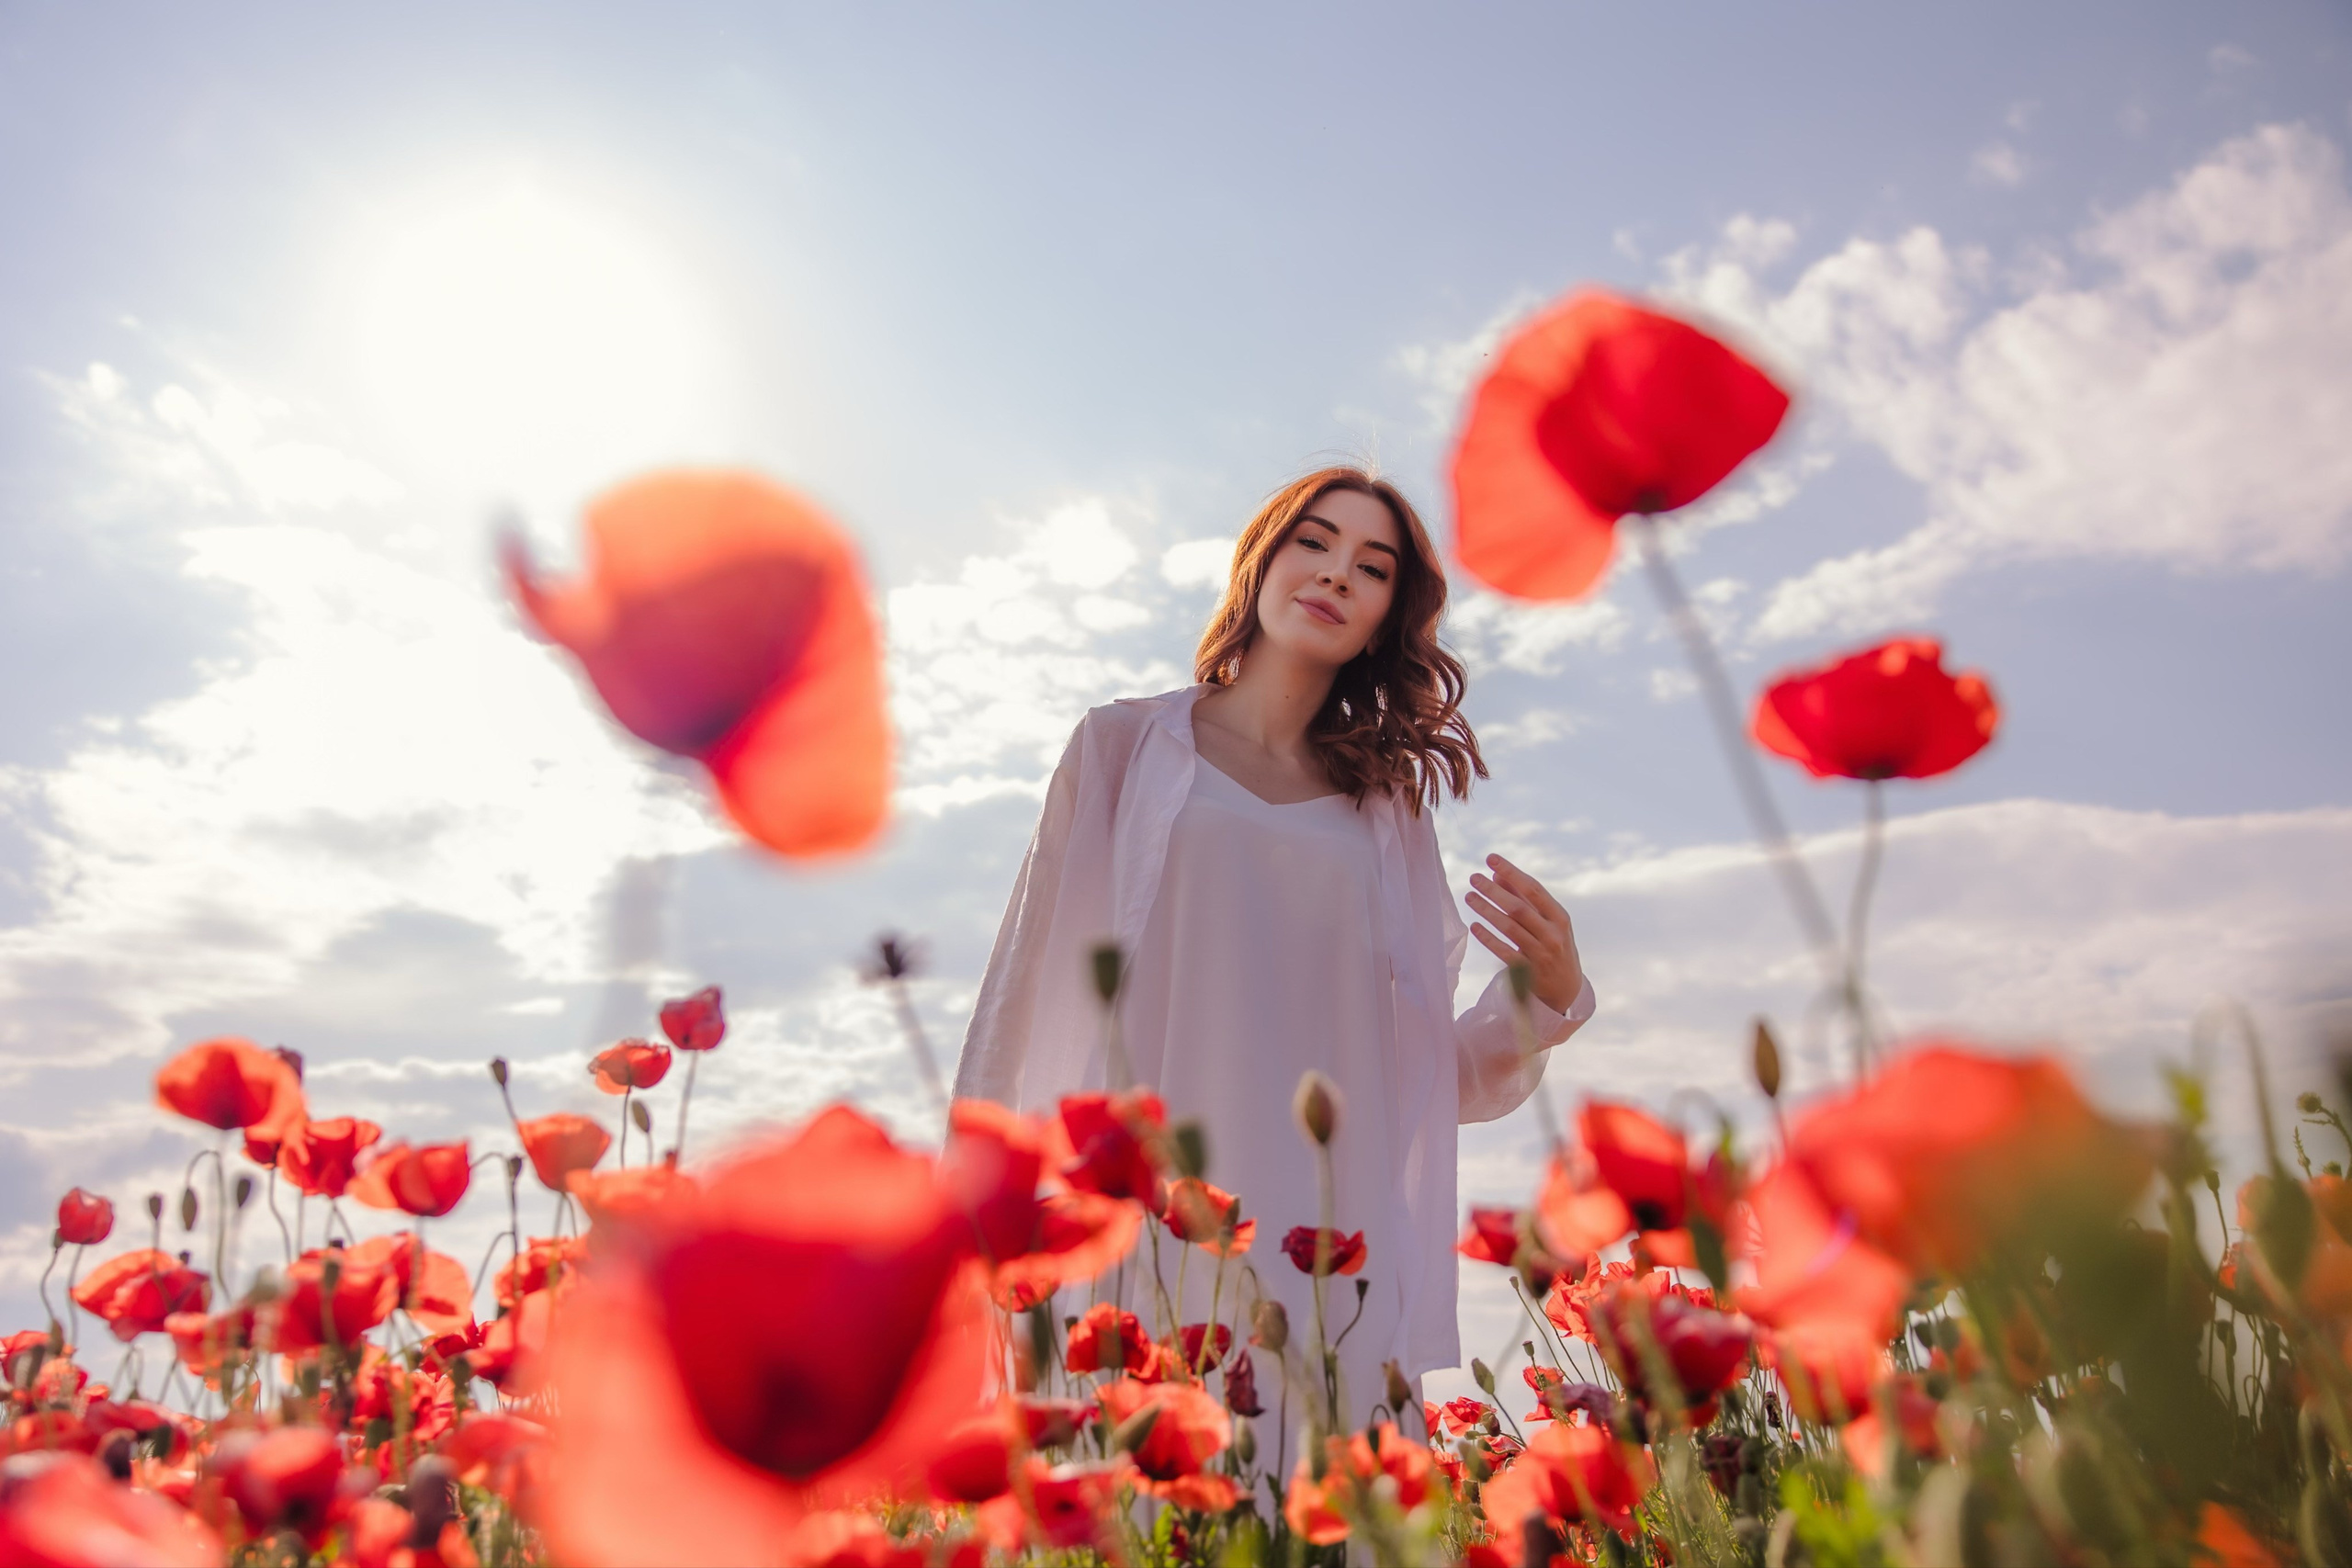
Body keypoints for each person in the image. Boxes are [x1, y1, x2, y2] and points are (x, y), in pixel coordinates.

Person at [952, 465, 1592, 1450]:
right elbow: (1023, 997)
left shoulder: (1385, 814)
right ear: (1260, 562)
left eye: (1371, 567)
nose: (1336, 574)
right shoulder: (1121, 748)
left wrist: (1543, 999)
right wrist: (983, 1217)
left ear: (1386, 617)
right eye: (1314, 543)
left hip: (1318, 1249)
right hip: (1141, 1222)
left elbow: (1410, 1070)